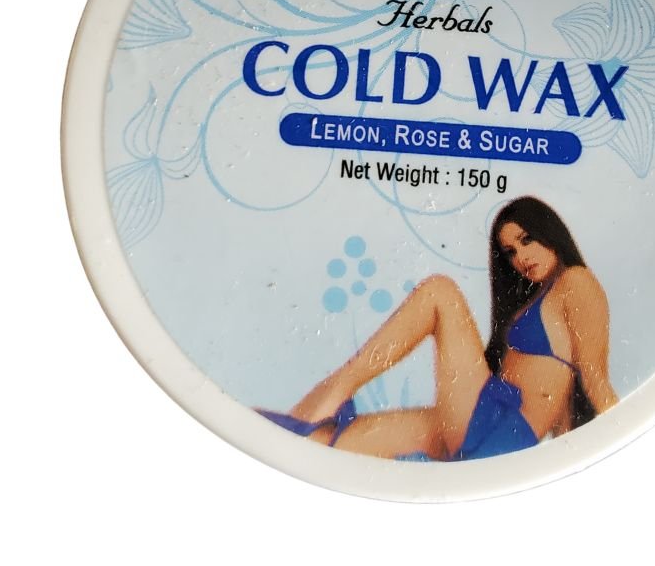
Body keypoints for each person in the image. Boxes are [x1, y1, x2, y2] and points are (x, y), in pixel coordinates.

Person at [259, 196, 619, 460]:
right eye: (510, 251)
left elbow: (593, 380)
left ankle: (338, 388)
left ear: (549, 232)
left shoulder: (577, 281)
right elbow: (561, 395)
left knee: (439, 292)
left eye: (526, 240)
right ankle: (290, 424)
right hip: (487, 422)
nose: (521, 257)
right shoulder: (540, 296)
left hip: (501, 428)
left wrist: (611, 458)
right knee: (325, 444)